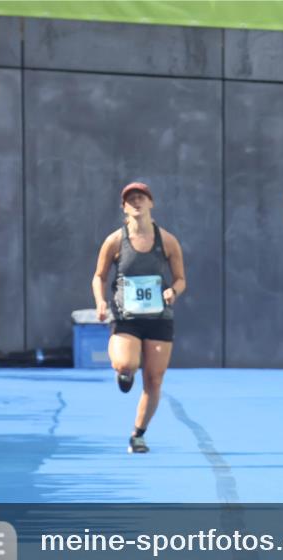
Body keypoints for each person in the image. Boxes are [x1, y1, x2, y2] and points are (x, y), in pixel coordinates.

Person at [92, 182, 186, 454]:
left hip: (159, 317)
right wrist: (100, 302)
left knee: (154, 380)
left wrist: (173, 291)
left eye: (141, 198)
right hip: (127, 317)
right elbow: (99, 276)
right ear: (124, 207)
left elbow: (181, 279)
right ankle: (122, 370)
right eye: (130, 199)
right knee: (126, 364)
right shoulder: (114, 241)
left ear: (150, 204)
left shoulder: (166, 240)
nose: (136, 202)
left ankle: (138, 434)